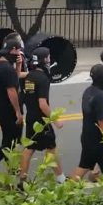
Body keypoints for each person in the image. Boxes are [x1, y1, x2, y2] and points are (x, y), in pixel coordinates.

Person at [19, 47, 66, 183]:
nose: (49, 59)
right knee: (51, 148)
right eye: (48, 57)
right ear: (44, 60)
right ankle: (61, 179)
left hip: (30, 117)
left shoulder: (29, 76)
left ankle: (22, 181)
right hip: (41, 120)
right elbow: (43, 104)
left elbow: (21, 80)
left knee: (29, 148)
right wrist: (56, 121)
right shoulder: (43, 79)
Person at [0, 33, 26, 174]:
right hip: (9, 111)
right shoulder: (6, 68)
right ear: (12, 50)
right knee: (11, 141)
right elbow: (12, 91)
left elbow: (14, 78)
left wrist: (19, 65)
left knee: (11, 139)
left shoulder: (0, 64)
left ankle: (12, 167)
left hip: (1, 109)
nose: (19, 53)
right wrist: (18, 112)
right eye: (18, 50)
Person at [72, 64, 103, 182]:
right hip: (100, 142)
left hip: (88, 138)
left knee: (83, 166)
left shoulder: (88, 92)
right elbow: (102, 122)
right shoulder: (100, 97)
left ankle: (66, 192)